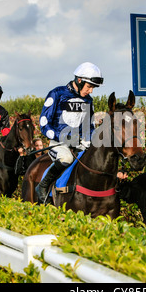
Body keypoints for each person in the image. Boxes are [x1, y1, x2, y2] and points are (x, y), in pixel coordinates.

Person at [37, 62, 103, 203]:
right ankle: (42, 187)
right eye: (89, 86)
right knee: (66, 159)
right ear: (79, 81)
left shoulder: (88, 100)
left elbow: (89, 127)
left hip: (78, 143)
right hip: (58, 143)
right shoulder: (56, 93)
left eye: (93, 87)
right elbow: (44, 124)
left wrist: (92, 139)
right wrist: (62, 136)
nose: (91, 91)